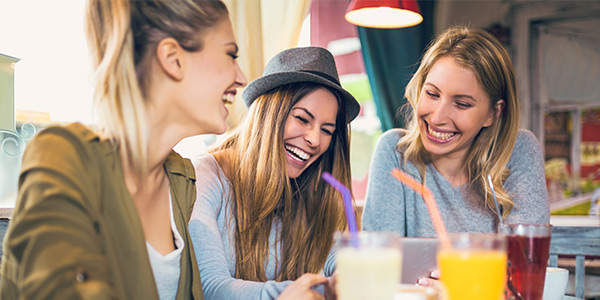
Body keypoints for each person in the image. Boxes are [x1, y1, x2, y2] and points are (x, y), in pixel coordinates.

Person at [0, 0, 246, 299]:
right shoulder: (66, 157)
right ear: (173, 58)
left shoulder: (182, 180)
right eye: (230, 55)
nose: (242, 77)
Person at [188, 46, 361, 300]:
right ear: (269, 114)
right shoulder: (206, 175)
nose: (314, 139)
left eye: (327, 130)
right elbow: (210, 287)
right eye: (303, 119)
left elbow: (339, 260)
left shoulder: (317, 191)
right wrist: (298, 293)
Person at [363, 25, 550, 238]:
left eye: (461, 104)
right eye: (432, 94)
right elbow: (380, 257)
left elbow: (525, 259)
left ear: (493, 113)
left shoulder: (518, 151)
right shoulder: (395, 152)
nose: (437, 118)